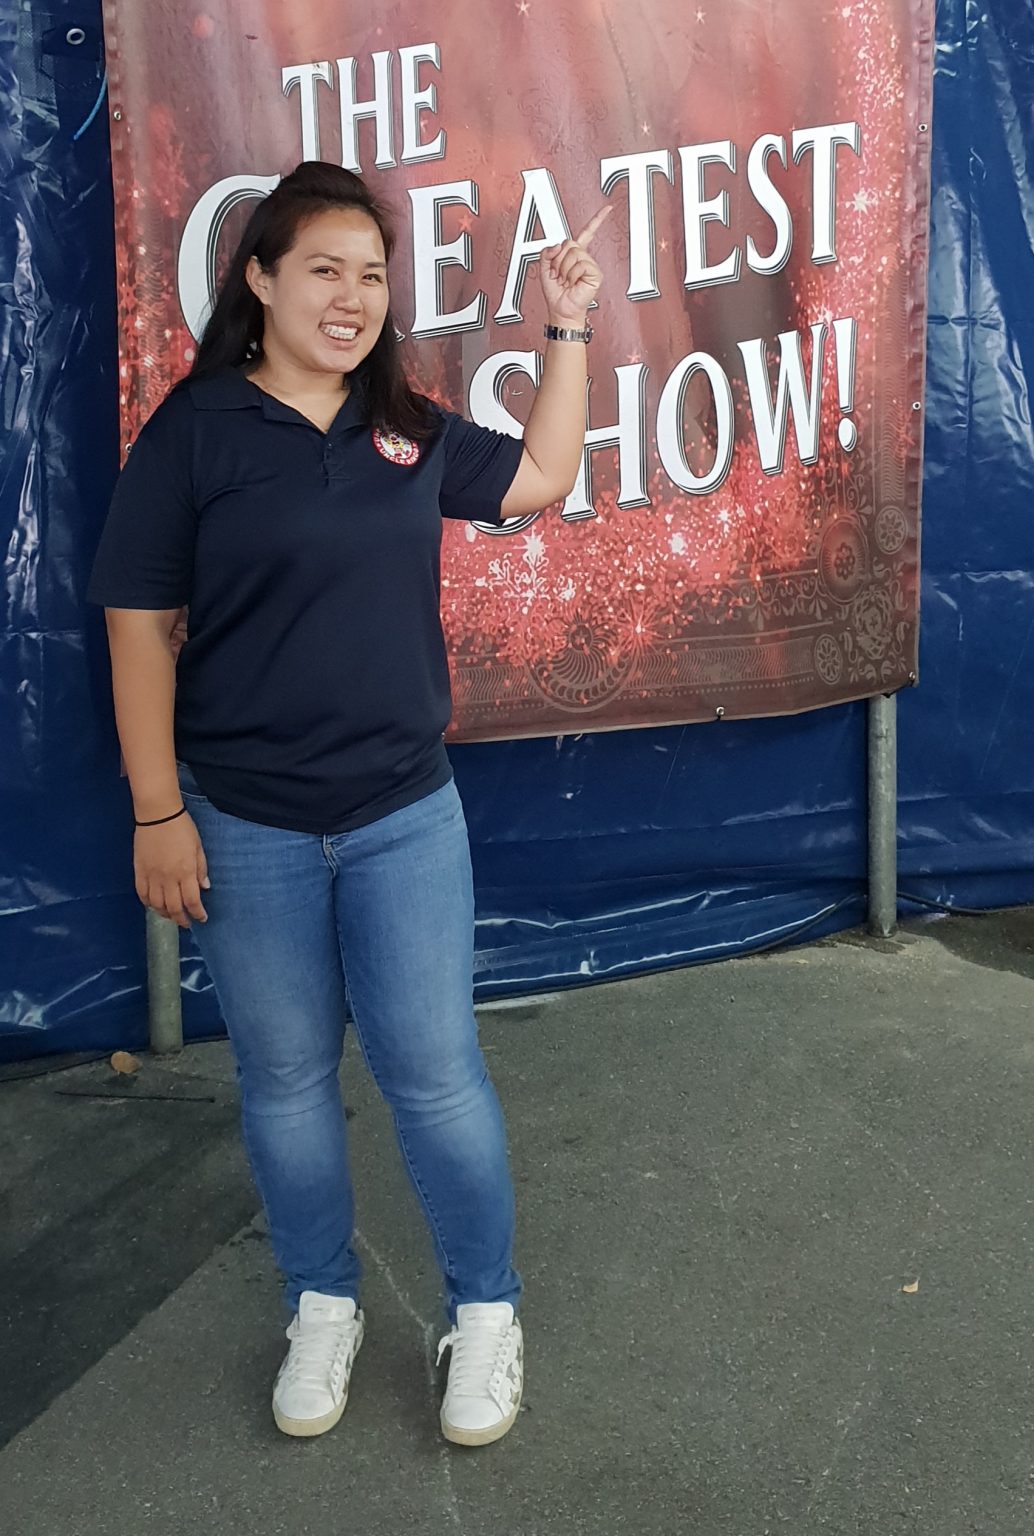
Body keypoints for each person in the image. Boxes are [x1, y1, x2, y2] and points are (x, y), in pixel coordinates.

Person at [88, 161, 608, 1446]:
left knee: (433, 1077)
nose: (352, 296)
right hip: (244, 823)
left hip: (402, 818)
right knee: (283, 1080)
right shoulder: (194, 431)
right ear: (260, 281)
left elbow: (540, 476)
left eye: (371, 274)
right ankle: (320, 1301)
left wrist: (565, 327)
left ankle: (484, 1311)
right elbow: (139, 624)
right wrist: (157, 811)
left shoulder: (406, 428)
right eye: (322, 268)